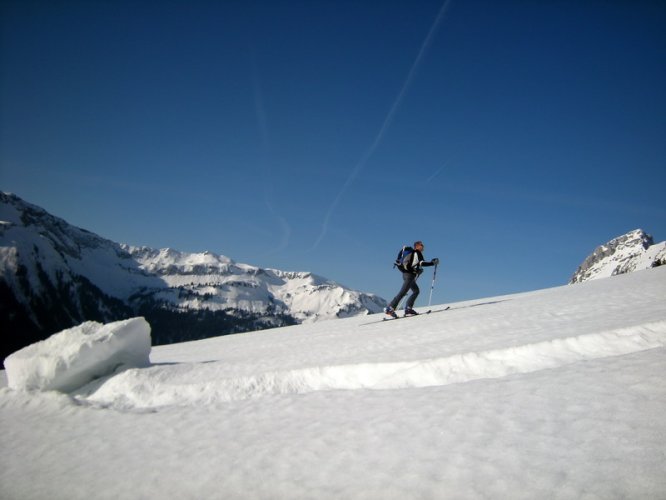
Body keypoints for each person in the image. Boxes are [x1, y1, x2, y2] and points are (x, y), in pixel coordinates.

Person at [385, 241, 439, 318]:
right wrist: (432, 263)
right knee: (403, 292)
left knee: (416, 291)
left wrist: (418, 270)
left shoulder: (413, 253)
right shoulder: (417, 252)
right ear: (417, 246)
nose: (423, 246)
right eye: (421, 245)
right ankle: (390, 308)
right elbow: (421, 263)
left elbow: (415, 265)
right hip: (409, 275)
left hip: (406, 274)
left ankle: (408, 308)